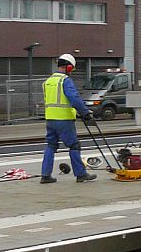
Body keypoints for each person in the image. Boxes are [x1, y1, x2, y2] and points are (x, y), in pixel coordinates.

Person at [40, 54, 98, 184]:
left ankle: (45, 175)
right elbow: (74, 99)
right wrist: (85, 113)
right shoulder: (65, 81)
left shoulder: (48, 81)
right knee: (74, 145)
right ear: (69, 67)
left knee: (51, 146)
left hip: (50, 119)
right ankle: (81, 174)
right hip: (64, 120)